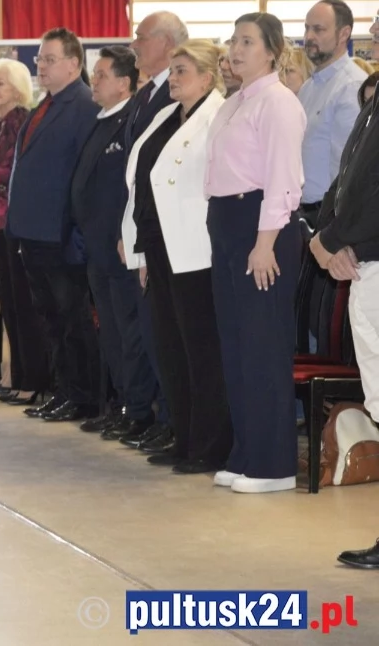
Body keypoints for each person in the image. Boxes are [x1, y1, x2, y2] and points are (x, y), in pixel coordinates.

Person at [121, 39, 234, 475]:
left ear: (207, 76)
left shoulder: (218, 116)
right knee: (170, 348)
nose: (173, 78)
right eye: (172, 70)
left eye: (182, 70)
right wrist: (137, 243)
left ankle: (210, 445)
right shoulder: (167, 115)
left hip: (196, 249)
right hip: (160, 246)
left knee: (201, 351)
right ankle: (184, 437)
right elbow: (141, 181)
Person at [205, 12, 306, 494]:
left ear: (271, 50)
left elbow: (283, 180)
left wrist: (265, 243)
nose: (237, 49)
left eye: (248, 41)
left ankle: (273, 464)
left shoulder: (278, 103)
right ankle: (246, 452)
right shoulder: (234, 103)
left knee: (263, 346)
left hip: (261, 230)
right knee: (236, 345)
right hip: (228, 224)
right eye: (234, 40)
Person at [6, 28, 101, 423]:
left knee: (71, 319)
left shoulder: (82, 105)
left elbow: (82, 175)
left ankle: (81, 395)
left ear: (74, 64)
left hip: (61, 236)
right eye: (39, 60)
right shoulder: (44, 105)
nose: (40, 66)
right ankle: (63, 389)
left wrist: (73, 232)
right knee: (51, 319)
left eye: (48, 59)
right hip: (35, 233)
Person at [314, 10, 379, 569]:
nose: (375, 30)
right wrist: (322, 235)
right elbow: (350, 174)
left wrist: (335, 235)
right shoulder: (375, 89)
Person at [69, 46, 155, 442]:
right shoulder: (100, 120)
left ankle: (138, 410)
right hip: (96, 248)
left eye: (102, 74)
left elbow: (129, 187)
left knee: (128, 331)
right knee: (111, 333)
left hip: (120, 246)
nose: (95, 81)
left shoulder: (129, 122)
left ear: (125, 83)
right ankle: (121, 403)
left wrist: (126, 235)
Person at [0, 59, 50, 408]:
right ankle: (20, 376)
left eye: (1, 84)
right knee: (10, 304)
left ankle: (33, 380)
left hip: (17, 222)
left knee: (24, 305)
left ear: (18, 87)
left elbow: (18, 177)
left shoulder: (20, 121)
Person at [297, 0, 366, 230]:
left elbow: (350, 170)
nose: (309, 37)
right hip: (304, 214)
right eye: (307, 28)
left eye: (318, 29)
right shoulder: (308, 87)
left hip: (331, 219)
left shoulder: (351, 86)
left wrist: (338, 232)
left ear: (344, 33)